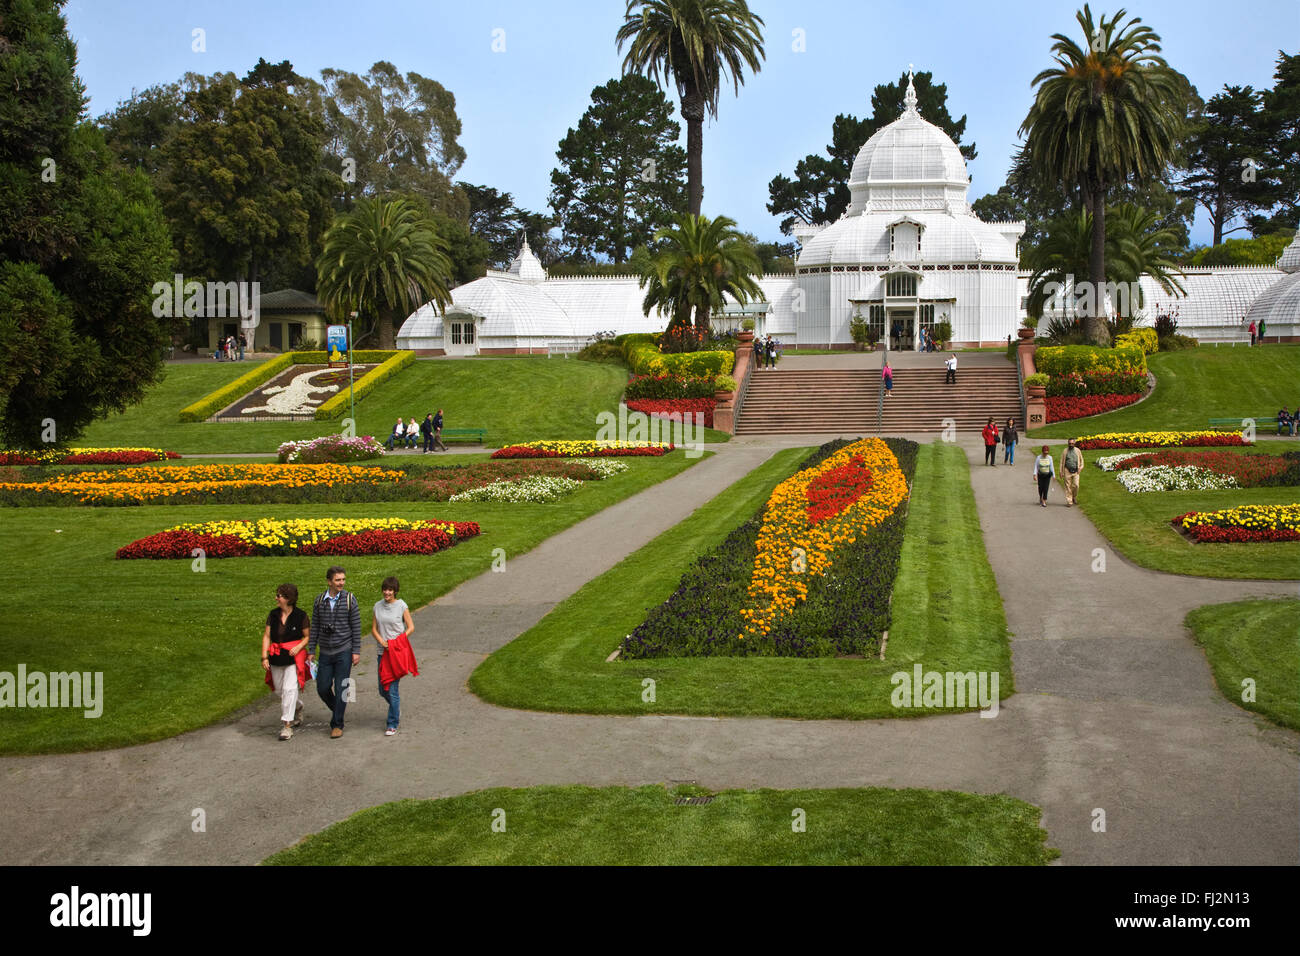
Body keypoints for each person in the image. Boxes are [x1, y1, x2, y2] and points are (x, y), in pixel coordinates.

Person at [308, 566, 361, 738]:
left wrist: (356, 651)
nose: (341, 583)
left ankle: (337, 724)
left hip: (343, 650)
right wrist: (311, 649)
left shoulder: (349, 599)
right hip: (325, 651)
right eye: (338, 580)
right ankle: (339, 709)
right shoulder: (319, 601)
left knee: (342, 687)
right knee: (322, 688)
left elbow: (356, 626)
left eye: (343, 579)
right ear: (329, 581)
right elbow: (314, 625)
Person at [262, 583, 310, 741]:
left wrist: (299, 646)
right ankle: (297, 705)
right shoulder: (273, 614)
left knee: (289, 689)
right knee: (279, 691)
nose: (276, 598)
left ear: (289, 599)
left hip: (292, 659)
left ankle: (287, 726)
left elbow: (307, 636)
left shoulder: (300, 615)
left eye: (279, 596)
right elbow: (267, 636)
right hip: (276, 657)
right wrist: (264, 656)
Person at [372, 576, 416, 735]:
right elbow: (374, 629)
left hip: (396, 652)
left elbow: (411, 627)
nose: (387, 592)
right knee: (382, 689)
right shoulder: (377, 606)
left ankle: (392, 723)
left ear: (395, 591)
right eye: (385, 589)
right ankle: (396, 708)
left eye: (390, 590)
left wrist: (397, 641)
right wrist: (382, 641)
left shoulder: (401, 605)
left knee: (392, 689)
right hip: (382, 652)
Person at [1059, 438, 1084, 507]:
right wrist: (1061, 472)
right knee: (1068, 486)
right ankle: (1069, 501)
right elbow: (1061, 462)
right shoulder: (1065, 451)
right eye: (1069, 443)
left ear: (1074, 444)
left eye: (1072, 443)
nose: (1071, 445)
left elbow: (1082, 461)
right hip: (1067, 470)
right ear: (1068, 444)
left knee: (1076, 485)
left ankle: (1074, 497)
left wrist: (1080, 468)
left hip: (1076, 471)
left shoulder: (1078, 451)